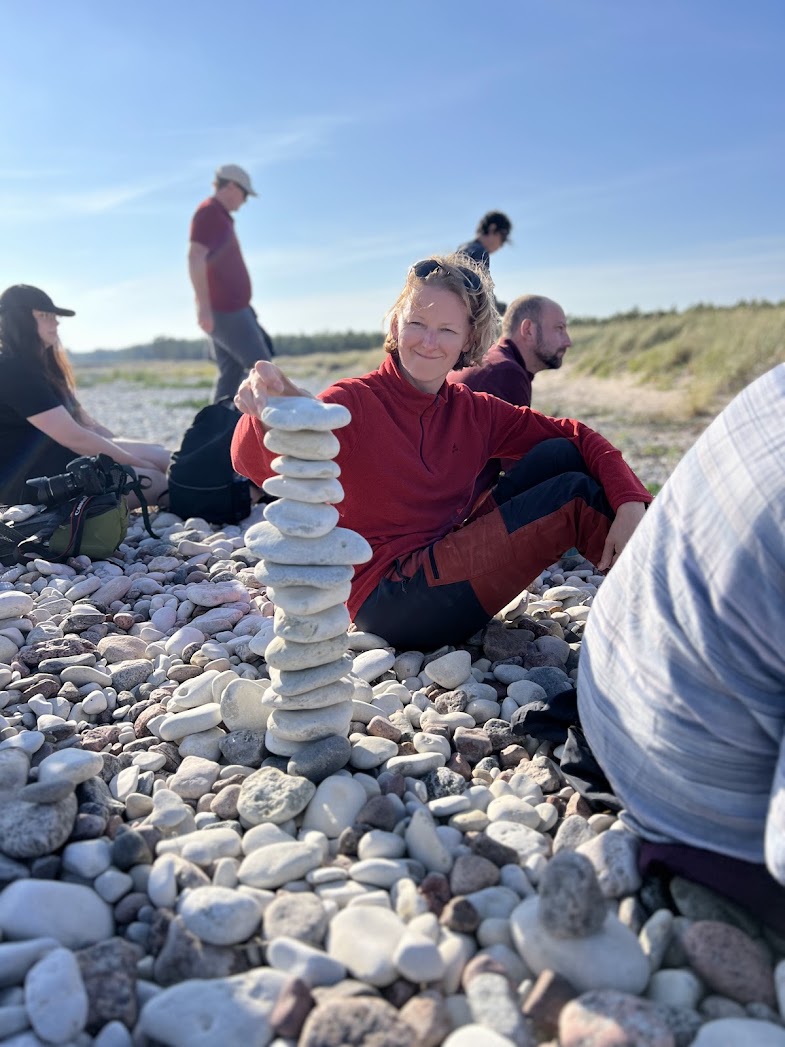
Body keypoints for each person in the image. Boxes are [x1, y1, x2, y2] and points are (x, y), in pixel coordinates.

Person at [232, 254, 650, 651]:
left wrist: (631, 500)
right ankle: (662, 607)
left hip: (442, 565)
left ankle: (656, 580)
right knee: (574, 498)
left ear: (469, 337)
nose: (429, 342)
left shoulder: (472, 409)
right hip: (390, 599)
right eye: (417, 322)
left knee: (559, 455)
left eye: (447, 330)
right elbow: (253, 463)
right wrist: (268, 411)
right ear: (396, 323)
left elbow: (575, 435)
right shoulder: (354, 400)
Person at [577, 364, 785, 931]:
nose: (569, 341)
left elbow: (574, 434)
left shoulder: (775, 384)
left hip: (609, 698)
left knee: (566, 473)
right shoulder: (490, 383)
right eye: (559, 330)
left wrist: (627, 498)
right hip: (685, 797)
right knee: (565, 482)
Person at [0, 285, 170, 509]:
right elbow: (75, 438)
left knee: (162, 456)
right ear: (19, 320)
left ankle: (218, 484)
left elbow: (86, 425)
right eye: (44, 315)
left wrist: (131, 452)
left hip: (63, 459)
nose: (56, 322)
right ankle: (215, 500)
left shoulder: (40, 366)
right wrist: (137, 463)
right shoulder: (12, 370)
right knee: (155, 480)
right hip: (35, 483)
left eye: (54, 316)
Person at [447, 295, 573, 503]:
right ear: (528, 330)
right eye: (559, 329)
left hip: (445, 504)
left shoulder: (494, 361)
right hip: (454, 517)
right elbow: (521, 468)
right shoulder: (505, 373)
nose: (568, 341)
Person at [188, 163, 273, 403]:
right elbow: (195, 256)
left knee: (231, 373)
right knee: (263, 368)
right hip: (226, 310)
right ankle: (268, 432)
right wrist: (203, 306)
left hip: (230, 308)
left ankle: (220, 435)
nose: (244, 202)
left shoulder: (219, 216)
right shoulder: (209, 213)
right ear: (233, 187)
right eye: (245, 195)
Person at [457, 211, 513, 315]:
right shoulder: (479, 252)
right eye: (503, 238)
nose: (501, 245)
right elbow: (480, 293)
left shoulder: (463, 248)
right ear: (492, 228)